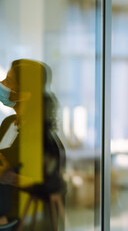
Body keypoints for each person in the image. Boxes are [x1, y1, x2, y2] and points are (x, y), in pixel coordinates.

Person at [0, 59, 65, 230]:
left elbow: (52, 185)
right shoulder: (8, 123)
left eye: (8, 81)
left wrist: (10, 177)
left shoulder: (42, 136)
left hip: (20, 219)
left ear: (25, 94)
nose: (2, 85)